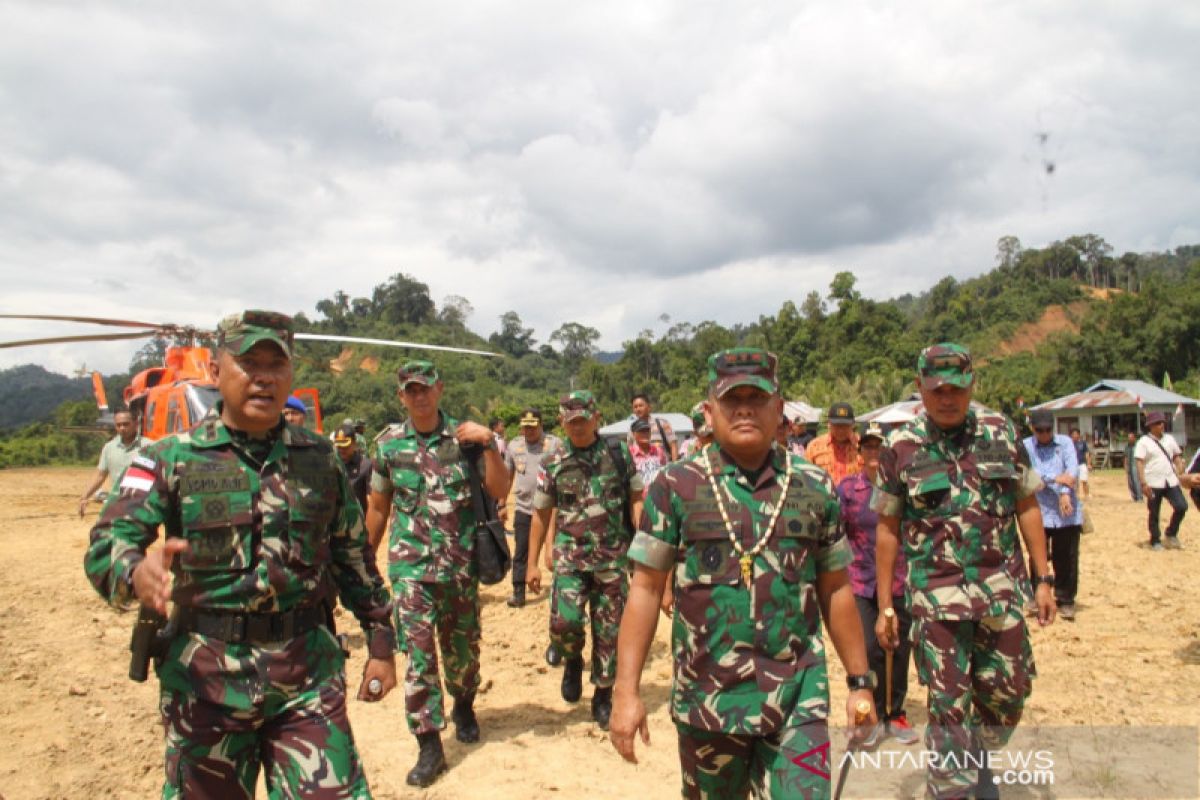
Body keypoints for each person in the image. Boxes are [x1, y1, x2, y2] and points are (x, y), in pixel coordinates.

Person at [84, 310, 397, 798]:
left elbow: (352, 556)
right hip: (207, 685)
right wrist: (133, 572)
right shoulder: (169, 458)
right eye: (249, 362)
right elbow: (108, 541)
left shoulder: (320, 460)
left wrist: (380, 639)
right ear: (215, 371)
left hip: (306, 680)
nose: (264, 377)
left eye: (277, 365)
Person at [611, 348, 876, 799]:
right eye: (733, 400)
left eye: (758, 397)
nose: (746, 409)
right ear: (710, 411)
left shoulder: (813, 487)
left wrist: (859, 682)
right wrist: (625, 691)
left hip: (797, 696)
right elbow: (645, 591)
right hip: (708, 700)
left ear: (780, 409)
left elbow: (835, 589)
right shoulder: (675, 486)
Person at [873, 342, 1055, 798]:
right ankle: (952, 786)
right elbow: (888, 529)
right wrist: (884, 606)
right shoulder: (900, 447)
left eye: (956, 388)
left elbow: (1027, 504)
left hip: (1002, 592)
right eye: (937, 390)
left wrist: (1044, 576)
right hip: (937, 603)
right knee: (948, 707)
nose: (947, 398)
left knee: (1010, 692)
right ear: (920, 389)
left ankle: (977, 757)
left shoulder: (1001, 432)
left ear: (972, 384)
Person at [366, 360, 507, 787]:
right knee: (419, 657)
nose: (419, 396)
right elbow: (377, 506)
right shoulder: (388, 446)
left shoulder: (466, 440)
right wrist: (363, 560)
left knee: (463, 654)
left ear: (439, 389)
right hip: (410, 570)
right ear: (401, 396)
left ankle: (463, 702)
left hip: (459, 567)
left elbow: (499, 490)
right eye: (411, 390)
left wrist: (490, 445)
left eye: (425, 388)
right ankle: (429, 742)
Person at [526, 390, 643, 730]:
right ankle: (573, 657)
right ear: (562, 422)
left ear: (596, 417)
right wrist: (532, 562)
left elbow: (636, 495)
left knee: (610, 632)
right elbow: (541, 513)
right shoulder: (553, 460)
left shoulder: (618, 453)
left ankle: (603, 695)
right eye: (570, 421)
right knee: (565, 622)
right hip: (570, 557)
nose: (577, 427)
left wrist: (641, 532)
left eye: (583, 420)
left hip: (612, 557)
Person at [838, 421, 918, 747]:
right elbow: (836, 533)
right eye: (867, 447)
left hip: (898, 579)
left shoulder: (902, 487)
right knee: (867, 649)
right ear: (859, 453)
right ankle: (864, 716)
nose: (873, 453)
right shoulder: (846, 490)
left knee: (898, 649)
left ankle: (894, 713)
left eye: (878, 448)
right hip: (859, 580)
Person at [1023, 410, 1083, 621]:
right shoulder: (1026, 447)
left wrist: (1065, 493)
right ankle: (1036, 593)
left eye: (1048, 430)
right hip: (1038, 508)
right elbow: (1032, 475)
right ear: (1033, 429)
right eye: (1040, 430)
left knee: (1066, 555)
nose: (1045, 434)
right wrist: (1055, 478)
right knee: (1037, 554)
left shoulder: (1065, 443)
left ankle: (1066, 599)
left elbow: (1072, 470)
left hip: (1065, 510)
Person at [503, 408, 562, 608]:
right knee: (521, 550)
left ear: (540, 425)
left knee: (557, 551)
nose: (529, 431)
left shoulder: (554, 445)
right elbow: (509, 476)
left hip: (551, 509)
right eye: (525, 427)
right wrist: (502, 502)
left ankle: (561, 591)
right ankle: (518, 591)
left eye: (533, 426)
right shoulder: (514, 446)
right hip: (524, 508)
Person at [78, 409, 148, 517]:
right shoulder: (109, 448)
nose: (122, 428)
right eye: (118, 425)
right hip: (117, 504)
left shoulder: (150, 447)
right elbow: (100, 476)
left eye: (126, 424)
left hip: (142, 507)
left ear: (136, 424)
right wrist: (85, 496)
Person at [1134, 411, 1186, 551]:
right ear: (1150, 426)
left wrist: (1179, 465)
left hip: (1170, 480)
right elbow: (1139, 462)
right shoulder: (1143, 442)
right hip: (1153, 482)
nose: (1161, 425)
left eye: (1162, 422)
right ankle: (1155, 540)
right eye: (1158, 423)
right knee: (1154, 512)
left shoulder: (1169, 439)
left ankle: (1171, 533)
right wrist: (1143, 483)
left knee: (1182, 506)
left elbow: (1175, 455)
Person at [805, 401, 861, 486]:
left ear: (853, 424)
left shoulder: (863, 446)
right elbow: (805, 477)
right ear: (829, 424)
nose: (841, 430)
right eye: (837, 425)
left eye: (845, 425)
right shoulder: (814, 447)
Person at [333, 421, 374, 514]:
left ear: (354, 444)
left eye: (345, 446)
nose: (341, 450)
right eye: (339, 446)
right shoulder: (331, 465)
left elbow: (371, 500)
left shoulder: (366, 466)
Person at [629, 393, 678, 460]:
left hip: (663, 468)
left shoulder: (662, 423)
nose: (638, 409)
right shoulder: (632, 429)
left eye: (640, 406)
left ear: (649, 407)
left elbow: (673, 445)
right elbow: (630, 451)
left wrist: (674, 465)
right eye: (635, 407)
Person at [629, 417, 668, 490]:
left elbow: (664, 471)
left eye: (647, 430)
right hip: (639, 496)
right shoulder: (629, 453)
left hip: (658, 494)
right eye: (641, 431)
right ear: (634, 434)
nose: (645, 433)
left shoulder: (658, 451)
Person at [1070, 428, 1092, 499]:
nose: (1075, 436)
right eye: (1073, 434)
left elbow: (1087, 453)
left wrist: (1088, 464)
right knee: (1074, 482)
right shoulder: (1069, 444)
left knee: (1084, 480)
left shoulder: (1082, 443)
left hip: (1082, 464)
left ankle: (1087, 494)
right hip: (1073, 465)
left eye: (1076, 434)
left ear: (1079, 435)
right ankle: (1076, 496)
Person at [1124, 431, 1144, 502]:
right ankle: (1134, 497)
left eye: (1131, 438)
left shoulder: (1138, 446)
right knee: (1130, 482)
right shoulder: (1127, 446)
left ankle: (1140, 497)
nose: (1129, 439)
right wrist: (1126, 468)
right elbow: (1125, 457)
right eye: (1128, 438)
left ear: (1134, 438)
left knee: (1136, 482)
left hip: (1135, 466)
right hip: (1129, 466)